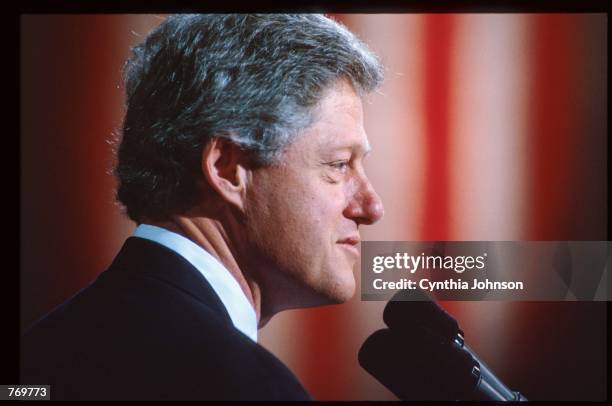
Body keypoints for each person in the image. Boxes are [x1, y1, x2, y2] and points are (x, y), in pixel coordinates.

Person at [20, 14, 384, 400]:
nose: (372, 207)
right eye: (339, 165)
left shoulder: (35, 358)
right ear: (227, 170)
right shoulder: (245, 387)